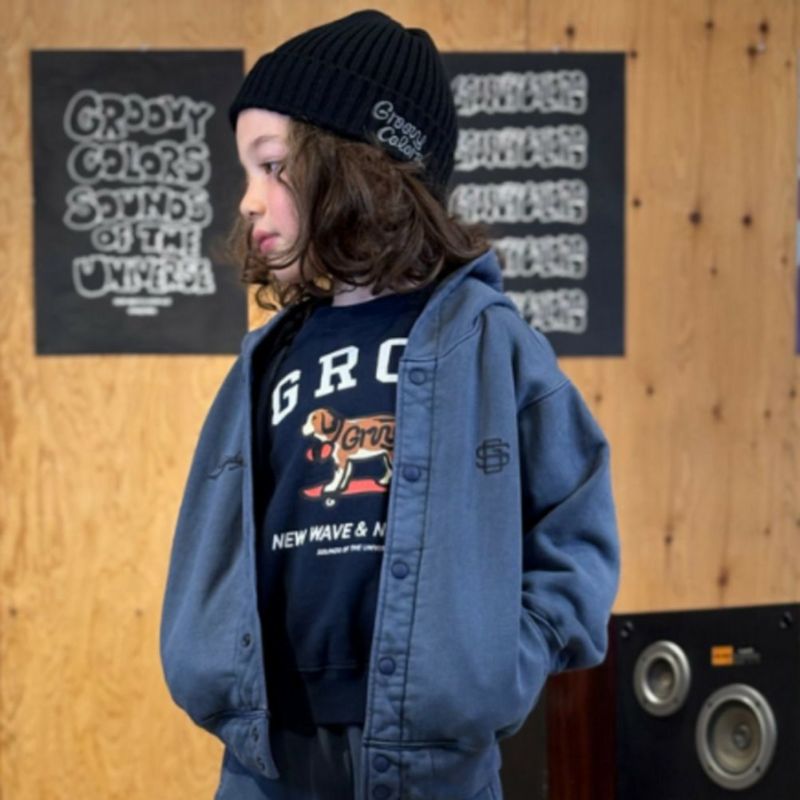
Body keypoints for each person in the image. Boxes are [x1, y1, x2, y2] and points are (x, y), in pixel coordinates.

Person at [159, 9, 620, 800]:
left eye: (271, 166)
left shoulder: (490, 342)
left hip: (435, 764)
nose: (248, 201)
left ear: (360, 167)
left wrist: (501, 665)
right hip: (267, 757)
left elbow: (574, 522)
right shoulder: (266, 358)